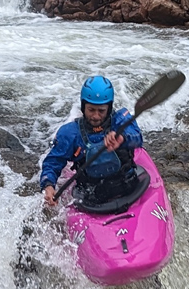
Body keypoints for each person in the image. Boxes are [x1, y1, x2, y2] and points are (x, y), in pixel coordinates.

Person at [40, 75, 144, 210]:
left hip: (129, 189)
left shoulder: (121, 121)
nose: (96, 116)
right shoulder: (71, 133)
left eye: (101, 111)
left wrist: (123, 138)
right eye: (91, 110)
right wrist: (48, 185)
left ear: (109, 107)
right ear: (83, 107)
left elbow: (138, 138)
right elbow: (52, 162)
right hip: (92, 199)